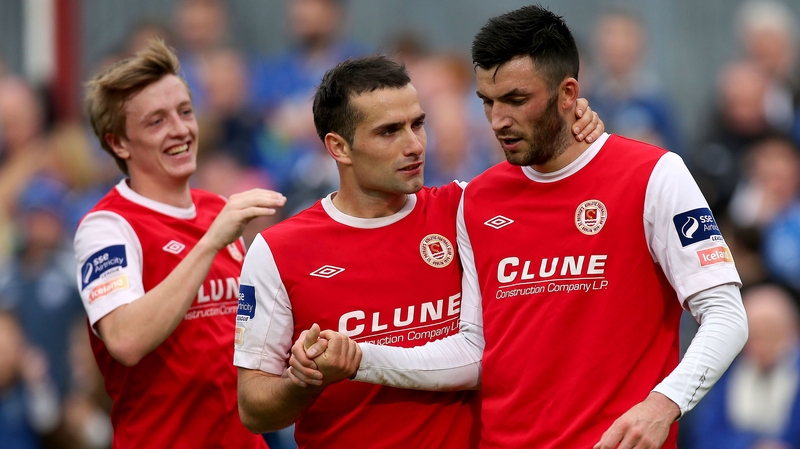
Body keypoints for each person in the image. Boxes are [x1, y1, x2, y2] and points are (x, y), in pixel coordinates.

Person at [291, 5, 749, 449]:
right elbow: (473, 351)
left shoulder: (655, 175)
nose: (497, 121)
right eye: (486, 102)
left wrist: (663, 404)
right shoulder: (476, 200)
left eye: (516, 100)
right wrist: (359, 359)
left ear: (569, 94)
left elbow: (727, 316)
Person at [233, 55, 603, 448]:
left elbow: (557, 181)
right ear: (339, 147)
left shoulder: (464, 208)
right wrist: (304, 380)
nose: (414, 145)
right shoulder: (279, 250)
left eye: (418, 124)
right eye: (389, 131)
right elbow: (253, 409)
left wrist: (569, 123)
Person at [74, 38, 285, 448]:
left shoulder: (218, 211)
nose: (180, 129)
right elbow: (124, 340)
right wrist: (209, 244)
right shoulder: (107, 226)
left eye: (185, 112)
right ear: (118, 143)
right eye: (156, 121)